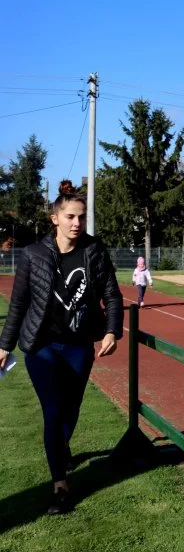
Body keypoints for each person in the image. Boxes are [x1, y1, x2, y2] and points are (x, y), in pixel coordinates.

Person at [0, 180, 123, 514]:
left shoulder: (94, 250)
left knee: (72, 406)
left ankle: (61, 447)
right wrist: (4, 345)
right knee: (53, 410)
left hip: (79, 345)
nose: (76, 223)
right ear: (55, 218)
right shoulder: (33, 254)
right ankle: (60, 486)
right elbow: (19, 302)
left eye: (81, 217)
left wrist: (112, 330)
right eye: (70, 216)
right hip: (41, 345)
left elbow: (111, 294)